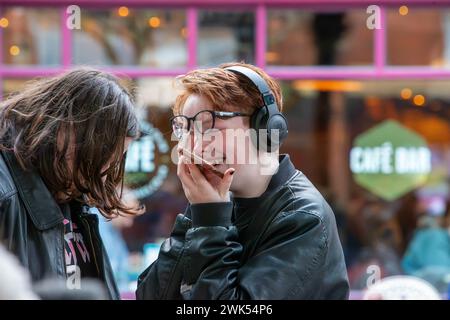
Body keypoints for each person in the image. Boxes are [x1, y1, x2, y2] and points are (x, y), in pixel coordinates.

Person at [136, 62, 349, 300]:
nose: (193, 146)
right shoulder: (216, 201)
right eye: (185, 130)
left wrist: (209, 219)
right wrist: (199, 215)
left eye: (209, 127)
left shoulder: (303, 218)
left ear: (265, 128)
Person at [0, 68, 142, 299]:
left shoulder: (73, 193)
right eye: (104, 158)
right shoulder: (6, 189)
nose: (105, 173)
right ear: (69, 133)